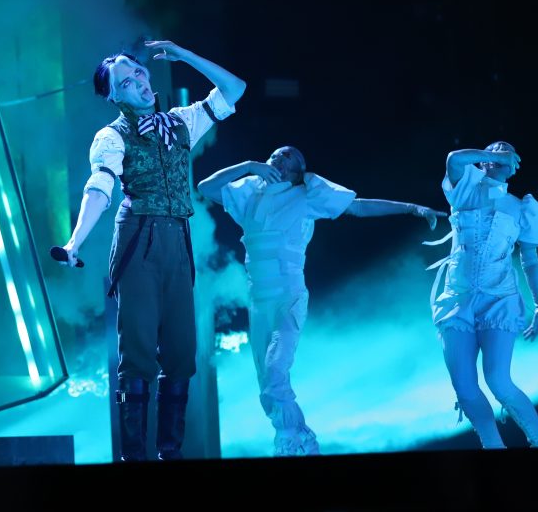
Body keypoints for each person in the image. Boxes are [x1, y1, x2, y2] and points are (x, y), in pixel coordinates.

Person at [59, 40, 245, 461]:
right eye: (126, 81)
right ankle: (134, 456)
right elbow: (99, 188)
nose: (139, 81)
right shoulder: (111, 136)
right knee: (138, 351)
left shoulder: (180, 123)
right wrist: (75, 241)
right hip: (138, 237)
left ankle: (169, 452)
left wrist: (185, 55)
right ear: (114, 96)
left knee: (181, 351)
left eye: (139, 72)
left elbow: (234, 89)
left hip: (177, 239)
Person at [197, 145, 446, 456]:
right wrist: (248, 165)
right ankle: (300, 440)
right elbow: (206, 187)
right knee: (267, 386)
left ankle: (292, 443)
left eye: (288, 155)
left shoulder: (306, 195)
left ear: (300, 169)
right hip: (258, 302)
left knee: (275, 370)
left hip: (288, 296)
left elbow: (359, 207)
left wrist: (412, 208)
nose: (279, 156)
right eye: (275, 153)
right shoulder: (250, 194)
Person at [423, 141, 538, 448]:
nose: (498, 152)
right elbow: (454, 158)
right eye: (493, 151)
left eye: (505, 150)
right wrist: (493, 155)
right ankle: (493, 446)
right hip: (458, 299)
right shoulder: (464, 188)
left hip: (499, 299)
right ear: (483, 161)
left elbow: (530, 260)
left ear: (514, 165)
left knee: (498, 380)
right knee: (465, 387)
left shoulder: (522, 207)